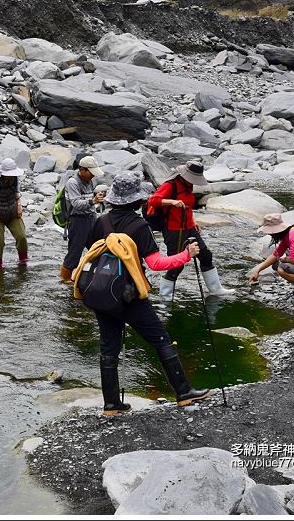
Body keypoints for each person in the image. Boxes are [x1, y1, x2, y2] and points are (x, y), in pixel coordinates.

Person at [83, 171, 211, 415]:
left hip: (101, 292)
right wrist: (187, 255)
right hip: (129, 294)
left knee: (108, 347)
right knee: (160, 338)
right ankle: (183, 392)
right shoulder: (139, 225)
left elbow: (92, 250)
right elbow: (156, 263)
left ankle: (111, 404)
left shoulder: (101, 222)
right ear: (137, 201)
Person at [147, 159, 234, 298]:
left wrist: (193, 222)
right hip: (173, 230)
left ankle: (215, 289)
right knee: (176, 265)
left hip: (189, 228)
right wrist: (172, 202)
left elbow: (187, 207)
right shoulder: (170, 185)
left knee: (205, 256)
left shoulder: (188, 186)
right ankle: (165, 297)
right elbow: (153, 200)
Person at [60, 155, 105, 284]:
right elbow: (76, 204)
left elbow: (89, 200)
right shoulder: (72, 182)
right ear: (82, 169)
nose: (93, 175)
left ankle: (91, 275)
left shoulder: (90, 181)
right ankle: (65, 281)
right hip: (77, 221)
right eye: (91, 172)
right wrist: (93, 201)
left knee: (97, 249)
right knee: (74, 254)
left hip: (91, 219)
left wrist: (96, 198)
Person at [0, 157, 28, 270]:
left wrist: (19, 207)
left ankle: (23, 261)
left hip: (12, 213)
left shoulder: (15, 179)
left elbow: (17, 193)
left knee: (21, 236)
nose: (12, 175)